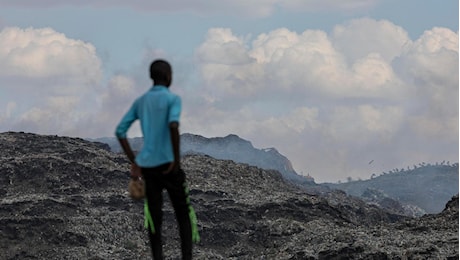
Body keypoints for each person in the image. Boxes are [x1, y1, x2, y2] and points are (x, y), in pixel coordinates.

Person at [115, 59, 199, 260]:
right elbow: (173, 126)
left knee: (154, 216)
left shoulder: (141, 101)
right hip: (170, 165)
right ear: (169, 76)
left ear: (151, 77)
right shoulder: (173, 99)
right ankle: (186, 256)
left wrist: (134, 161)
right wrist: (176, 160)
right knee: (184, 214)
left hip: (149, 167)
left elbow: (120, 131)